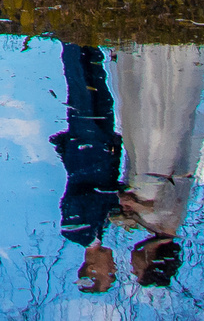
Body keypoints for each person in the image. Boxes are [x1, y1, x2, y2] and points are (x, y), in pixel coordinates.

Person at [111, 42, 204, 288]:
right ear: (151, 261)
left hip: (145, 162)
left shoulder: (153, 226)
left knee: (144, 108)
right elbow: (165, 202)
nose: (132, 267)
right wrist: (134, 205)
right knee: (154, 109)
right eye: (138, 271)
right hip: (157, 156)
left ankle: (148, 58)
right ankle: (158, 58)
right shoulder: (169, 224)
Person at [51, 42, 122, 293]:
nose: (114, 268)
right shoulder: (102, 228)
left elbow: (76, 199)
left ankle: (72, 42)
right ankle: (91, 45)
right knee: (102, 95)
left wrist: (115, 200)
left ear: (91, 269)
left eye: (108, 273)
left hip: (85, 150)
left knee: (80, 87)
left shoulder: (74, 231)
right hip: (103, 147)